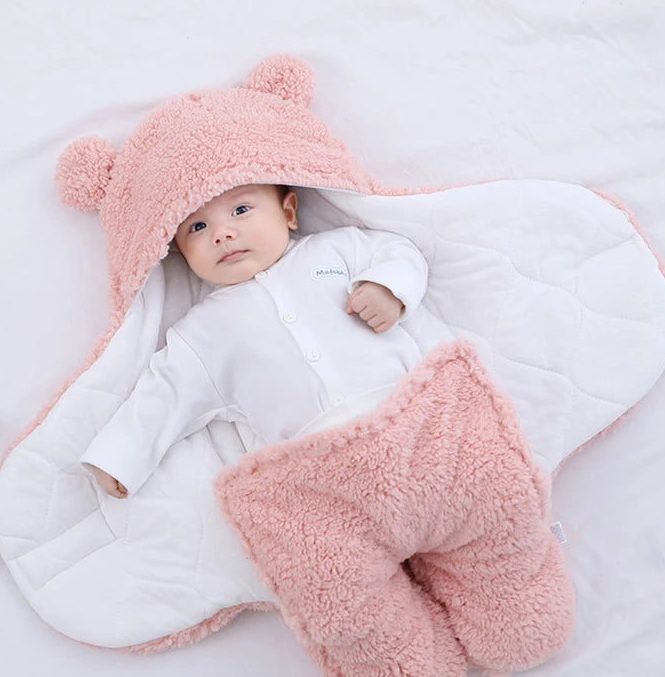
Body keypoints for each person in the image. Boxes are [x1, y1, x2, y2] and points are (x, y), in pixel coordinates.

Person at [83, 182, 429, 499]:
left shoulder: (336, 249)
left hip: (415, 414)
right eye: (197, 227)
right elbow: (165, 392)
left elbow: (398, 251)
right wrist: (120, 455)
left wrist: (387, 287)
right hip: (315, 464)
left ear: (289, 213)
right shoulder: (203, 331)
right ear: (180, 251)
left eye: (241, 210)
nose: (222, 234)